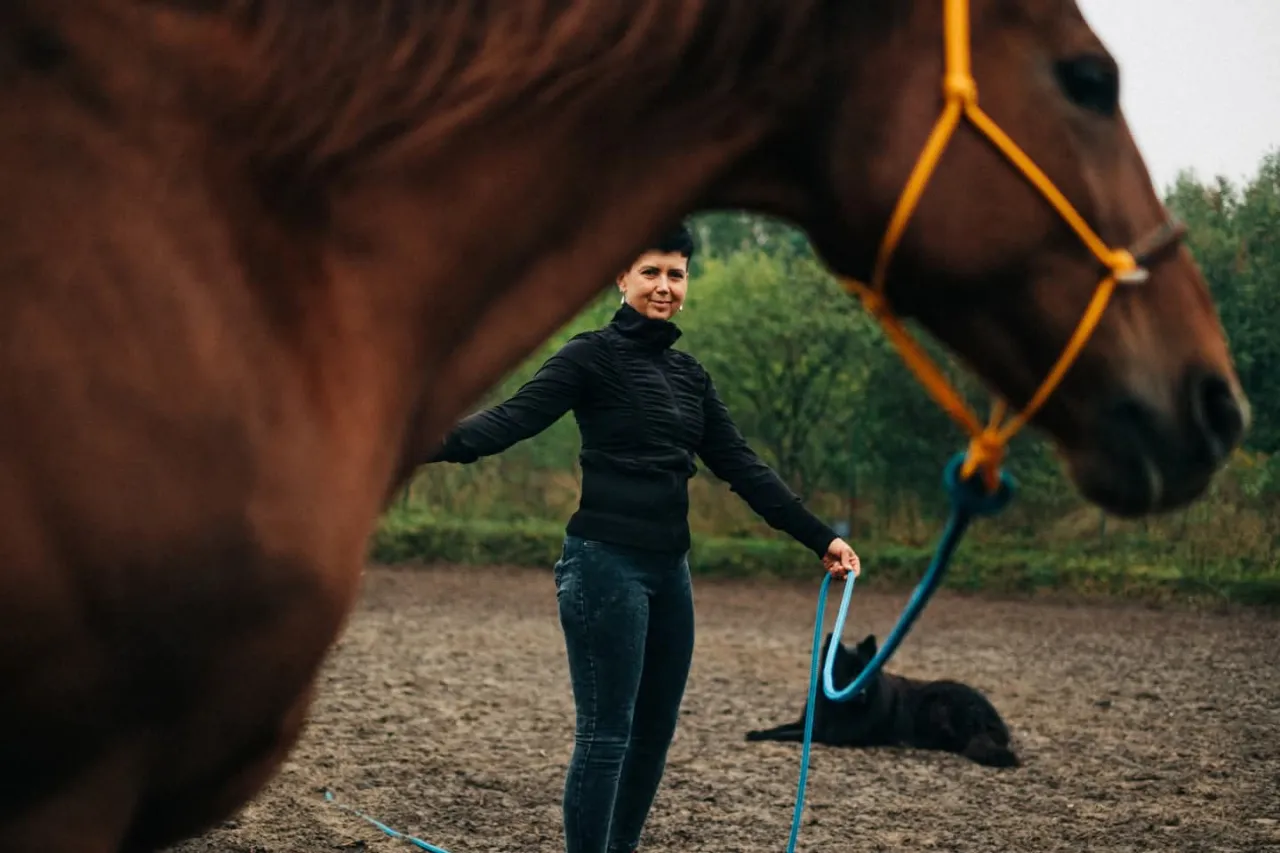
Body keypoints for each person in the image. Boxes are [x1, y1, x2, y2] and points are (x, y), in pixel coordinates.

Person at [425, 222, 860, 853]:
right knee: (607, 736)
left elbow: (744, 468)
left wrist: (821, 539)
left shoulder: (691, 376)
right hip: (603, 567)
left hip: (668, 572)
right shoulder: (588, 357)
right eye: (650, 272)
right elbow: (505, 423)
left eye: (676, 274)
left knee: (654, 736)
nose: (664, 286)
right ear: (621, 277)